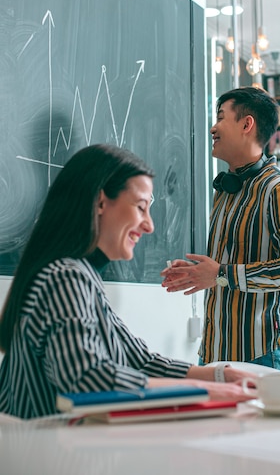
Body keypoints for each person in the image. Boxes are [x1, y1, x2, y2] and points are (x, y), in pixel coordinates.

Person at [0, 144, 255, 419]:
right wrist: (204, 390)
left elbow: (140, 361)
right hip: (44, 455)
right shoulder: (65, 276)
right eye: (141, 207)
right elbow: (89, 380)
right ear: (100, 202)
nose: (149, 225)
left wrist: (221, 375)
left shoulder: (80, 275)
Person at [161, 86, 280, 370]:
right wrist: (201, 273)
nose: (212, 128)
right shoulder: (227, 191)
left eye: (221, 118)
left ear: (247, 124)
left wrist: (220, 273)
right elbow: (222, 272)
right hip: (213, 350)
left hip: (259, 351)